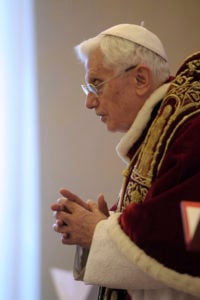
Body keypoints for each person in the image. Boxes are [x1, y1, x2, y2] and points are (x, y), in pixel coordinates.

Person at [51, 24, 200, 300]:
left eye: (96, 84)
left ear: (141, 79)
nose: (89, 102)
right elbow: (154, 221)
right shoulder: (156, 134)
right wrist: (107, 222)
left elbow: (190, 232)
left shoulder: (191, 132)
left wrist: (98, 232)